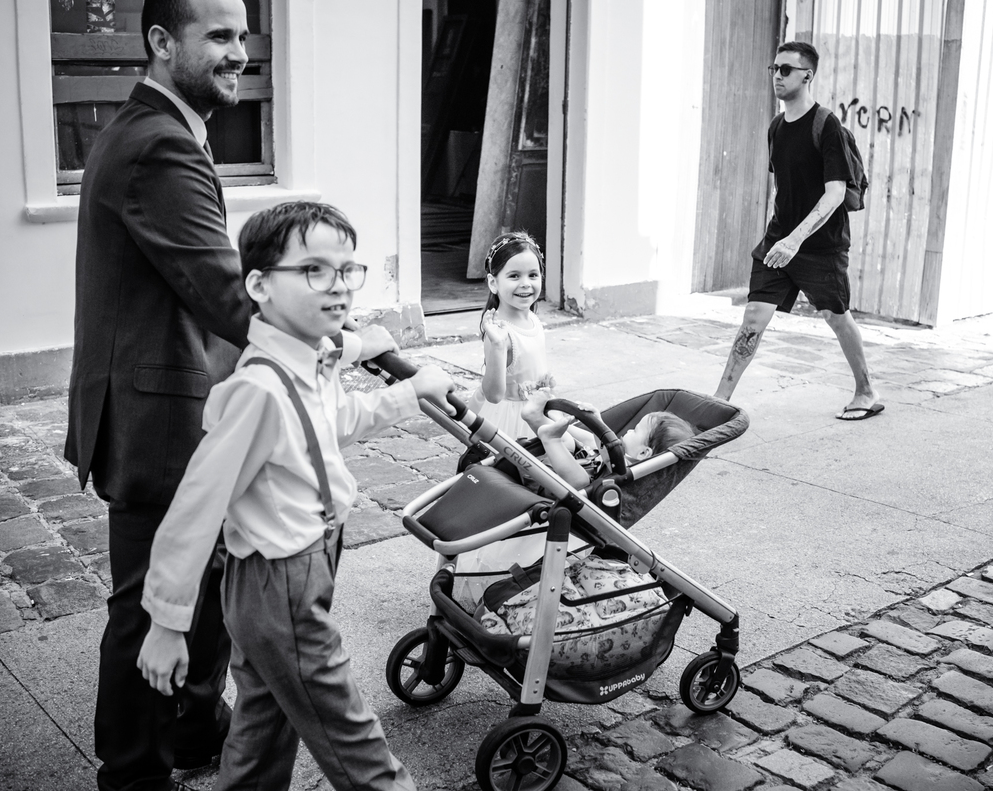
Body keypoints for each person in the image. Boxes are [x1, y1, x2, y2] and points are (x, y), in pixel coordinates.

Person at [136, 201, 454, 791]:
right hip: (278, 582)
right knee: (353, 738)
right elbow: (195, 509)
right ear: (259, 286)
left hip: (302, 567)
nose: (338, 286)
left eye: (347, 270)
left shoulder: (308, 359)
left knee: (264, 725)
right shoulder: (258, 390)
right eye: (313, 270)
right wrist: (166, 623)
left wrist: (403, 388)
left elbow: (333, 420)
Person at [64, 0, 258, 787]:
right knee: (152, 604)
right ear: (160, 41)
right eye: (219, 36)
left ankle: (193, 728)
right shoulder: (159, 146)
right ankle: (133, 771)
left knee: (198, 579)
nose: (239, 52)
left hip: (166, 397)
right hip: (157, 411)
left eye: (243, 35)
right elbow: (223, 292)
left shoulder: (156, 130)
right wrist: (333, 333)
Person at [714, 41, 883, 422]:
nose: (777, 75)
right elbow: (786, 187)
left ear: (807, 75)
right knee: (753, 317)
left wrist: (796, 240)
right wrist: (782, 236)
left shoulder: (827, 126)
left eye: (786, 69)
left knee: (836, 316)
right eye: (774, 68)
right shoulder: (776, 127)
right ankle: (719, 401)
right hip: (779, 241)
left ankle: (866, 391)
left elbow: (835, 193)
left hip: (820, 246)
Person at [467, 231, 555, 438]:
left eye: (533, 275)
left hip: (536, 410)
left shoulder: (532, 318)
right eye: (514, 276)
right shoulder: (499, 334)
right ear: (493, 283)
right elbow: (494, 395)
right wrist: (498, 346)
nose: (525, 283)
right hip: (511, 420)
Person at [521, 396, 697, 489]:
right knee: (572, 440)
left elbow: (608, 456)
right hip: (573, 465)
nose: (629, 430)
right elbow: (592, 441)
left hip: (556, 485)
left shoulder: (630, 470)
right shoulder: (623, 454)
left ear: (644, 453)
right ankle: (540, 419)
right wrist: (596, 422)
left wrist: (600, 427)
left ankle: (551, 438)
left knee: (580, 479)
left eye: (635, 430)